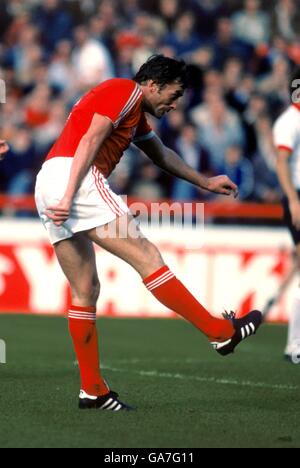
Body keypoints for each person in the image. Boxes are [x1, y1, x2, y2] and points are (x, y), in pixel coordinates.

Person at [34, 55, 262, 411]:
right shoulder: (125, 91)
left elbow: (160, 153)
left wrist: (204, 181)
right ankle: (220, 333)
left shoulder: (133, 111)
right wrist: (68, 195)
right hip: (75, 179)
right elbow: (92, 139)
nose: (174, 104)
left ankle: (92, 390)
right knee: (148, 257)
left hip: (49, 179)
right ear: (153, 84)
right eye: (174, 94)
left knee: (85, 289)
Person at [274, 67, 300, 363]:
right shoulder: (288, 122)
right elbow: (282, 163)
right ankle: (294, 344)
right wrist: (293, 200)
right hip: (298, 197)